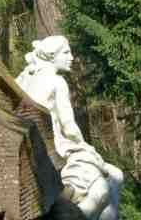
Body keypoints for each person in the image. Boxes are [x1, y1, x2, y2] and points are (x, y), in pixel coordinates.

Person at [14, 36, 125, 220]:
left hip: (31, 149)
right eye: (66, 53)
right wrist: (86, 148)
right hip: (56, 150)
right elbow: (70, 128)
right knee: (114, 178)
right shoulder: (57, 82)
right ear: (51, 55)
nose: (71, 57)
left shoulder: (22, 79)